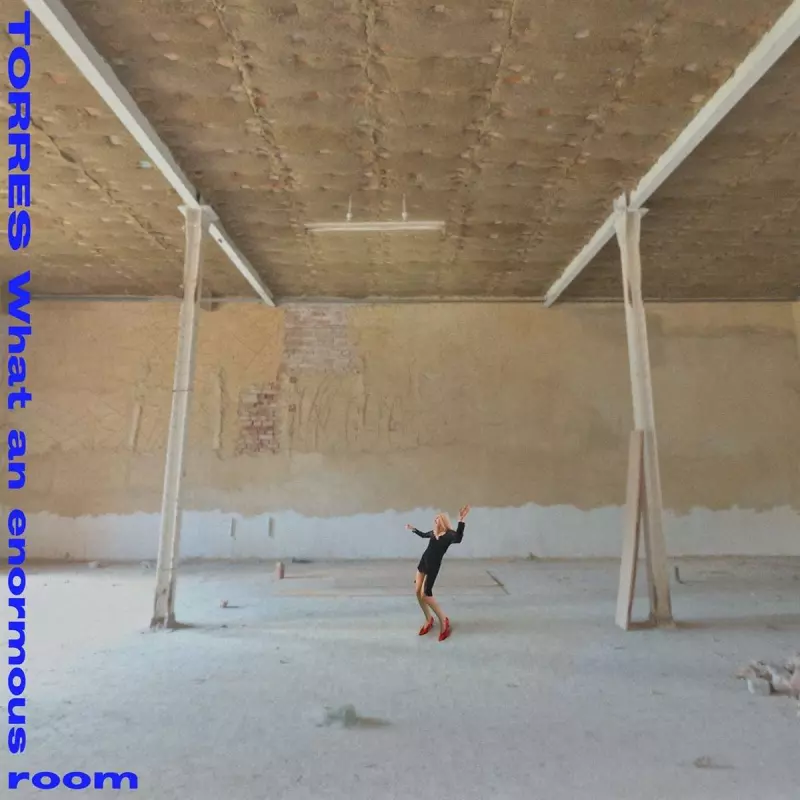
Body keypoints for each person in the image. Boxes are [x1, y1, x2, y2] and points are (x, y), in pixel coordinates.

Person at [405, 505, 470, 641]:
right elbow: (423, 535)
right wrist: (413, 529)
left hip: (433, 566)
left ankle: (443, 620)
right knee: (417, 591)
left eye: (437, 519)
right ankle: (429, 619)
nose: (435, 521)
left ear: (443, 521)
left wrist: (461, 520)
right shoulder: (434, 533)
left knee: (426, 595)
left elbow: (459, 538)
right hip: (423, 562)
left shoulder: (449, 535)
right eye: (435, 520)